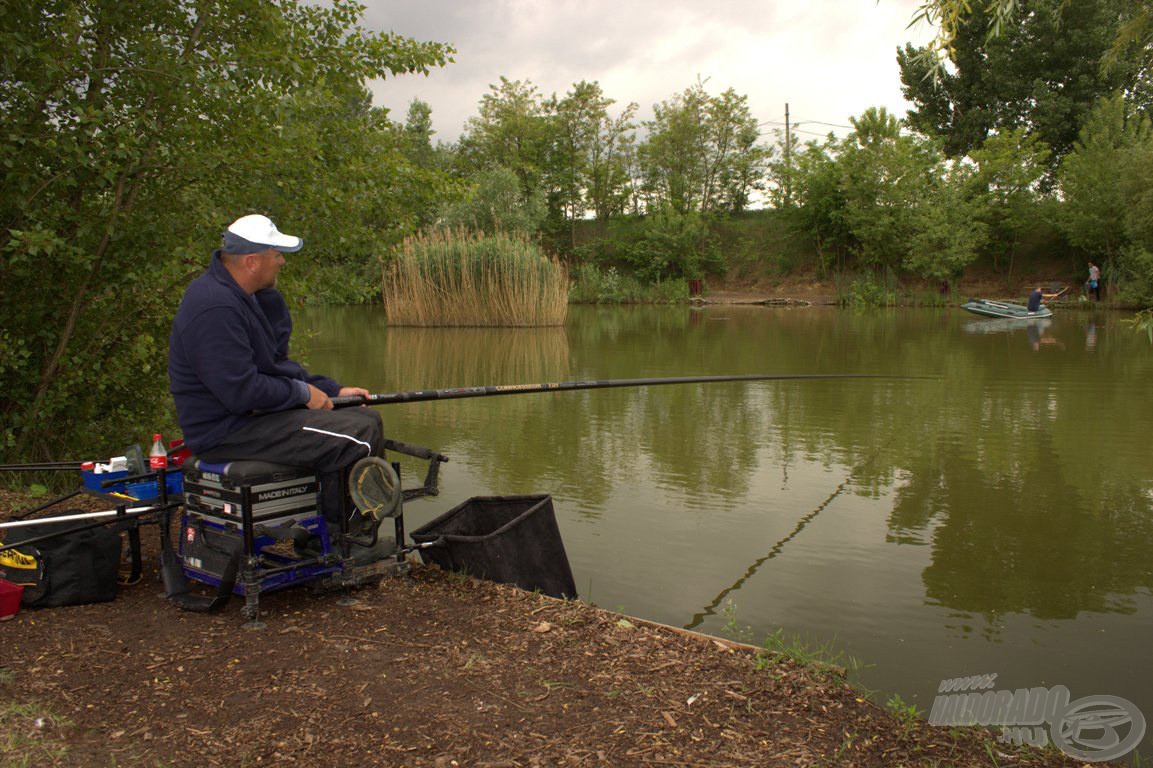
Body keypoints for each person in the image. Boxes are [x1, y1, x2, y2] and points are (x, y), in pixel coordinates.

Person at [168, 214, 384, 530]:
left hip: (251, 417)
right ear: (253, 261)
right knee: (357, 438)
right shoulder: (214, 307)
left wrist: (332, 390)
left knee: (368, 419)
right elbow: (241, 392)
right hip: (224, 430)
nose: (282, 262)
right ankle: (348, 541)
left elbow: (275, 368)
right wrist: (301, 393)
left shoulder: (248, 298)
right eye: (277, 255)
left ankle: (323, 528)